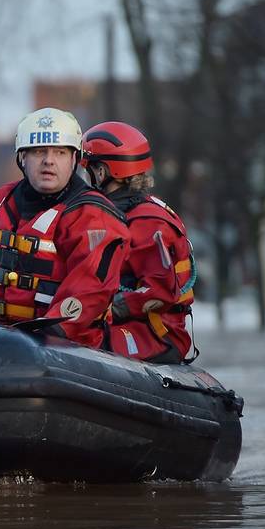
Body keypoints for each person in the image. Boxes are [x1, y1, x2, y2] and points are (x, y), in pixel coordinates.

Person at [0, 107, 129, 348]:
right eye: (39, 151)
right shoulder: (1, 201)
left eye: (59, 152)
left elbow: (90, 290)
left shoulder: (92, 216)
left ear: (74, 159)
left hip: (62, 346)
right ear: (22, 158)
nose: (48, 160)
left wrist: (46, 337)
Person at [81, 121, 196, 363]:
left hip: (157, 333)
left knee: (83, 343)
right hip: (136, 325)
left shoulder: (148, 221)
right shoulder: (121, 214)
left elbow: (158, 290)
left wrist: (100, 308)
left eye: (89, 170)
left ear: (102, 172)